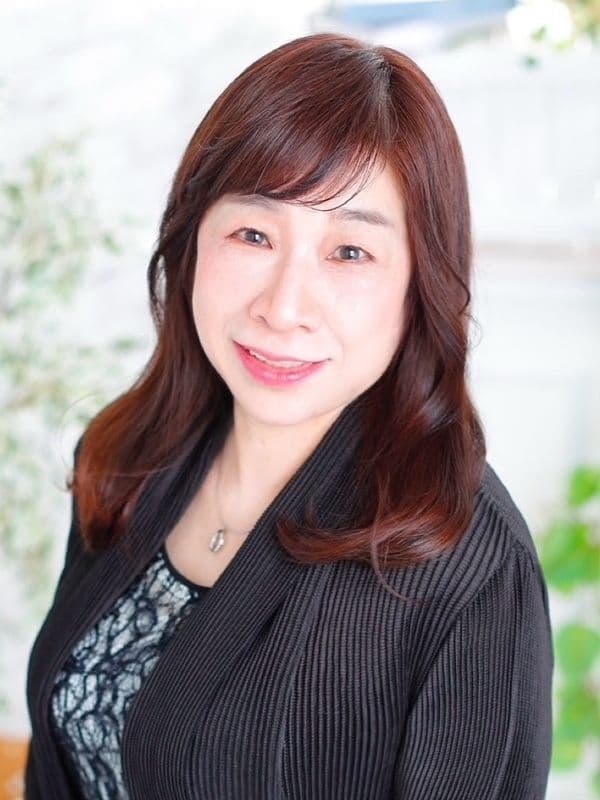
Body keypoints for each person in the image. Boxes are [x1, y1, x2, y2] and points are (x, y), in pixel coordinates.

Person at [24, 31, 554, 800]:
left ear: (420, 282)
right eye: (253, 234)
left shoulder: (464, 563)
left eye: (349, 253)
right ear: (192, 241)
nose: (283, 307)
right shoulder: (127, 458)